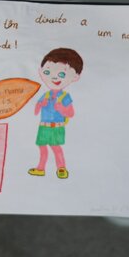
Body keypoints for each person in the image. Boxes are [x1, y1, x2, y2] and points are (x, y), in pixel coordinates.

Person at [28, 48, 83, 179]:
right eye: (47, 72)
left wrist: (61, 109)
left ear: (75, 77)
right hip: (43, 126)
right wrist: (40, 105)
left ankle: (61, 168)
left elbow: (71, 113)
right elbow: (35, 111)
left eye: (62, 74)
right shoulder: (46, 95)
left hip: (56, 127)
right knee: (42, 148)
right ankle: (40, 168)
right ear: (41, 72)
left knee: (55, 147)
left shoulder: (65, 96)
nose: (54, 77)